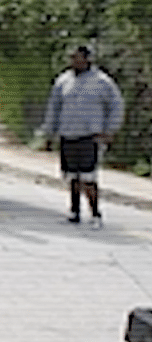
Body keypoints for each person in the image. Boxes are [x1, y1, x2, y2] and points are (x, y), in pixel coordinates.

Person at [39, 45, 125, 229]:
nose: (73, 61)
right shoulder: (63, 80)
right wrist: (49, 133)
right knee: (72, 176)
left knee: (89, 177)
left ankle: (95, 213)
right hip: (68, 134)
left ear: (87, 59)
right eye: (71, 58)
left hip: (90, 136)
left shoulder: (102, 82)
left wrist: (110, 130)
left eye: (77, 57)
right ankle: (74, 211)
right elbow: (54, 108)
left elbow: (116, 106)